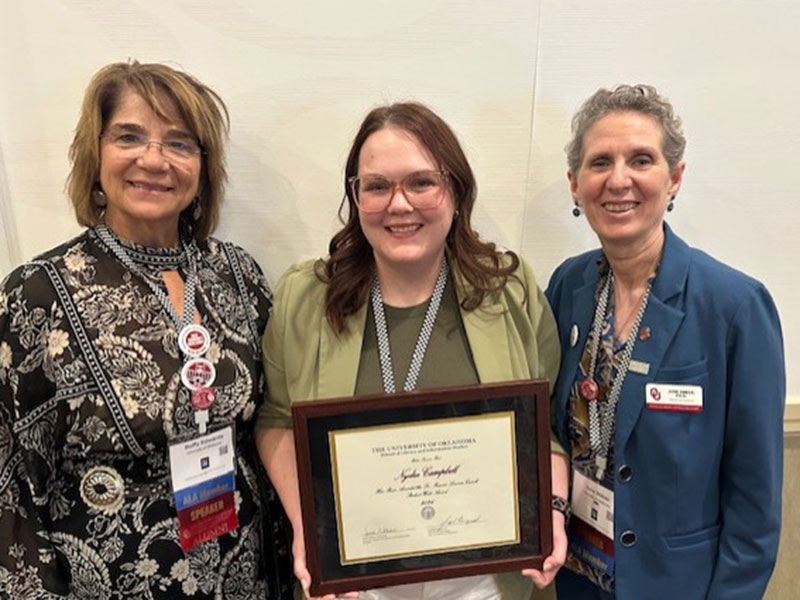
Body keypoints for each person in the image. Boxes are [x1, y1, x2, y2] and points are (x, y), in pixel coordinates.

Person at [0, 61, 291, 599]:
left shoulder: (239, 274)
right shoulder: (35, 294)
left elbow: (271, 428)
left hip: (245, 576)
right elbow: (11, 483)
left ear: (203, 167)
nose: (153, 159)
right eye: (129, 137)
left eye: (179, 144)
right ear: (96, 155)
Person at [255, 101, 568, 600]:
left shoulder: (509, 290)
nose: (399, 205)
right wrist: (310, 535)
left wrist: (551, 510)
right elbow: (275, 419)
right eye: (377, 186)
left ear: (456, 190)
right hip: (356, 585)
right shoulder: (305, 297)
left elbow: (541, 426)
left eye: (421, 182)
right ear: (356, 198)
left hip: (485, 583)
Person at [546, 84, 785, 599]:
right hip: (578, 581)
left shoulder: (734, 306)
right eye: (599, 162)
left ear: (674, 178)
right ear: (574, 183)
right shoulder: (568, 287)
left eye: (641, 159)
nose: (618, 179)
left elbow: (755, 502)